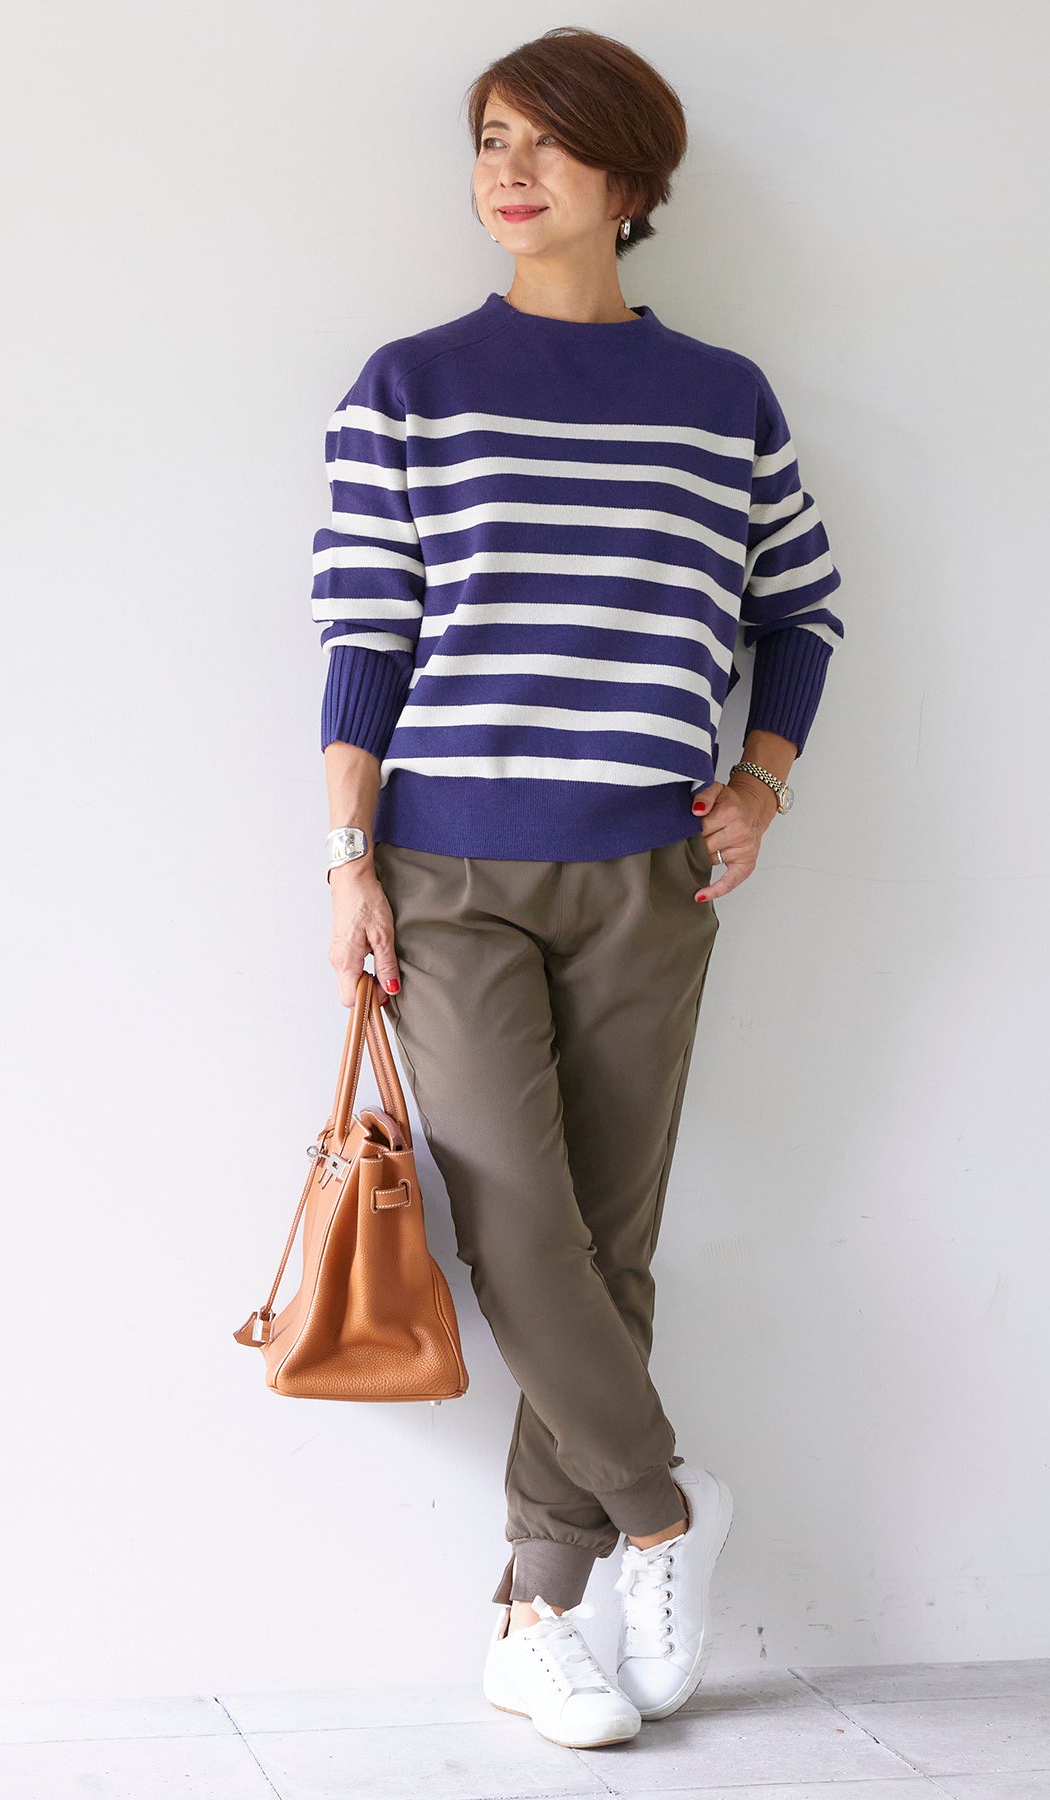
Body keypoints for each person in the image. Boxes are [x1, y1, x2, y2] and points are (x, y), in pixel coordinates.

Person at [309, 26, 844, 1753]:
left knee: (609, 1242)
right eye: (490, 139)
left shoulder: (724, 398)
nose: (509, 170)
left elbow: (800, 612)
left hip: (648, 872)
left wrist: (759, 783)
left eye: (546, 141)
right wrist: (347, 860)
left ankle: (537, 1616)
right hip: (446, 870)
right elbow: (365, 637)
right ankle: (666, 1507)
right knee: (520, 1231)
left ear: (632, 178)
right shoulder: (409, 385)